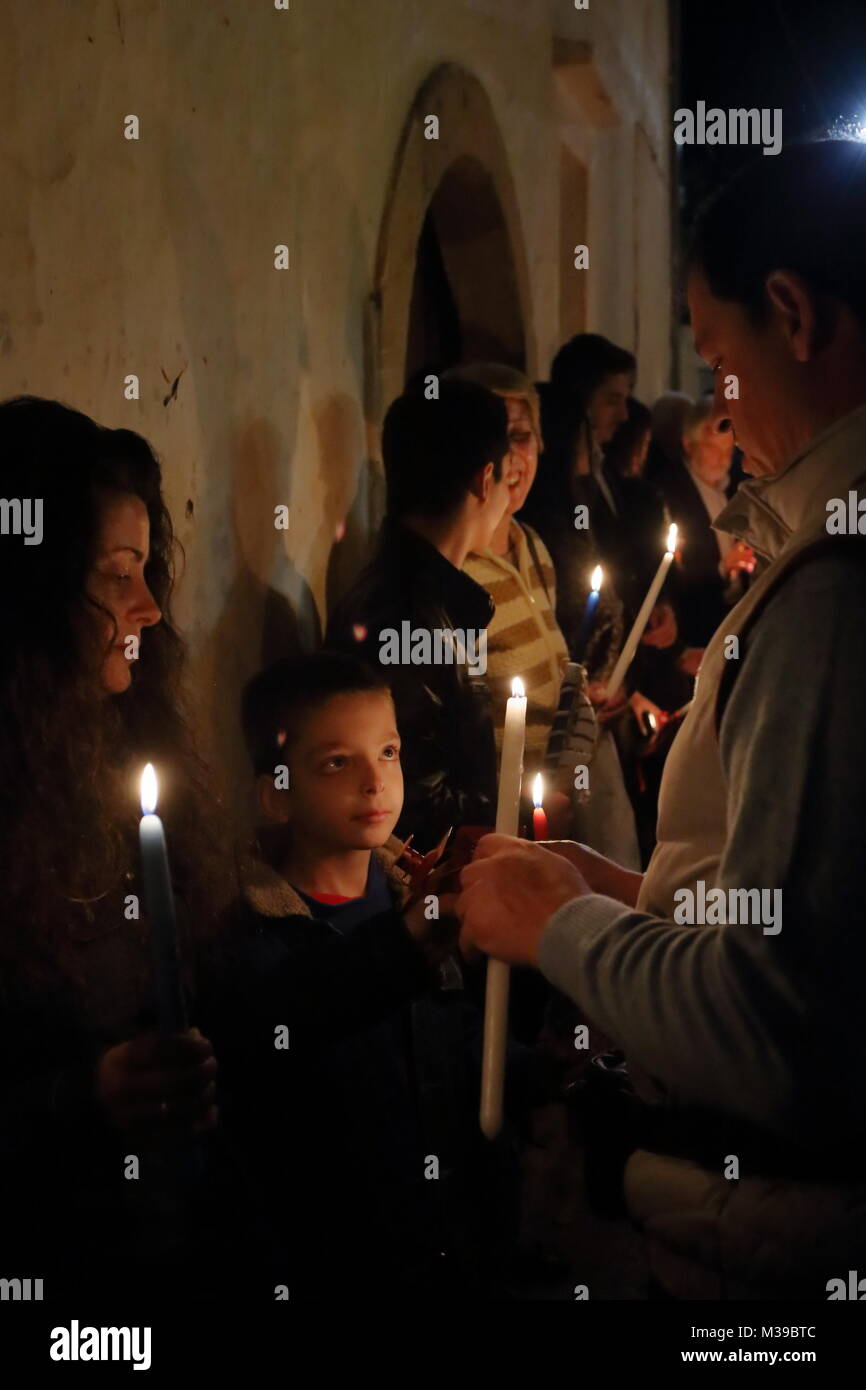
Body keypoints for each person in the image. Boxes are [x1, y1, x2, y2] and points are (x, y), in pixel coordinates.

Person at [455, 138, 866, 1297]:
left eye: (718, 359)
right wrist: (636, 895)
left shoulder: (833, 588)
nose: (719, 406)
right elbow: (807, 912)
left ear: (789, 311)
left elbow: (778, 1024)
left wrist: (559, 928)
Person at [0, 396, 243, 1303]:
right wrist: (82, 1095)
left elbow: (218, 979)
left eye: (148, 571)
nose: (147, 607)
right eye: (115, 575)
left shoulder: (117, 746)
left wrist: (399, 946)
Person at [220, 651, 517, 1296]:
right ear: (276, 793)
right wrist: (413, 940)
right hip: (339, 1256)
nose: (375, 782)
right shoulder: (257, 932)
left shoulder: (406, 891)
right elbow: (301, 1010)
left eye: (387, 752)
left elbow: (458, 1046)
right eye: (336, 762)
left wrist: (528, 1067)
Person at [326, 379, 512, 851]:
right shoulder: (409, 616)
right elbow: (416, 808)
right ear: (484, 480)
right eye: (507, 482)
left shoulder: (420, 596)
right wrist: (506, 811)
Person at [446, 363, 578, 840]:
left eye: (522, 435)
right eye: (495, 437)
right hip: (495, 831)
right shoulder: (457, 567)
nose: (511, 456)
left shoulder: (532, 546)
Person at [658, 394, 755, 646]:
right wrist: (722, 568)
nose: (723, 459)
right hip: (696, 630)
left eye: (728, 449)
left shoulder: (734, 488)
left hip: (734, 619)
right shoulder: (669, 494)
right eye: (713, 448)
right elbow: (671, 576)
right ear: (689, 445)